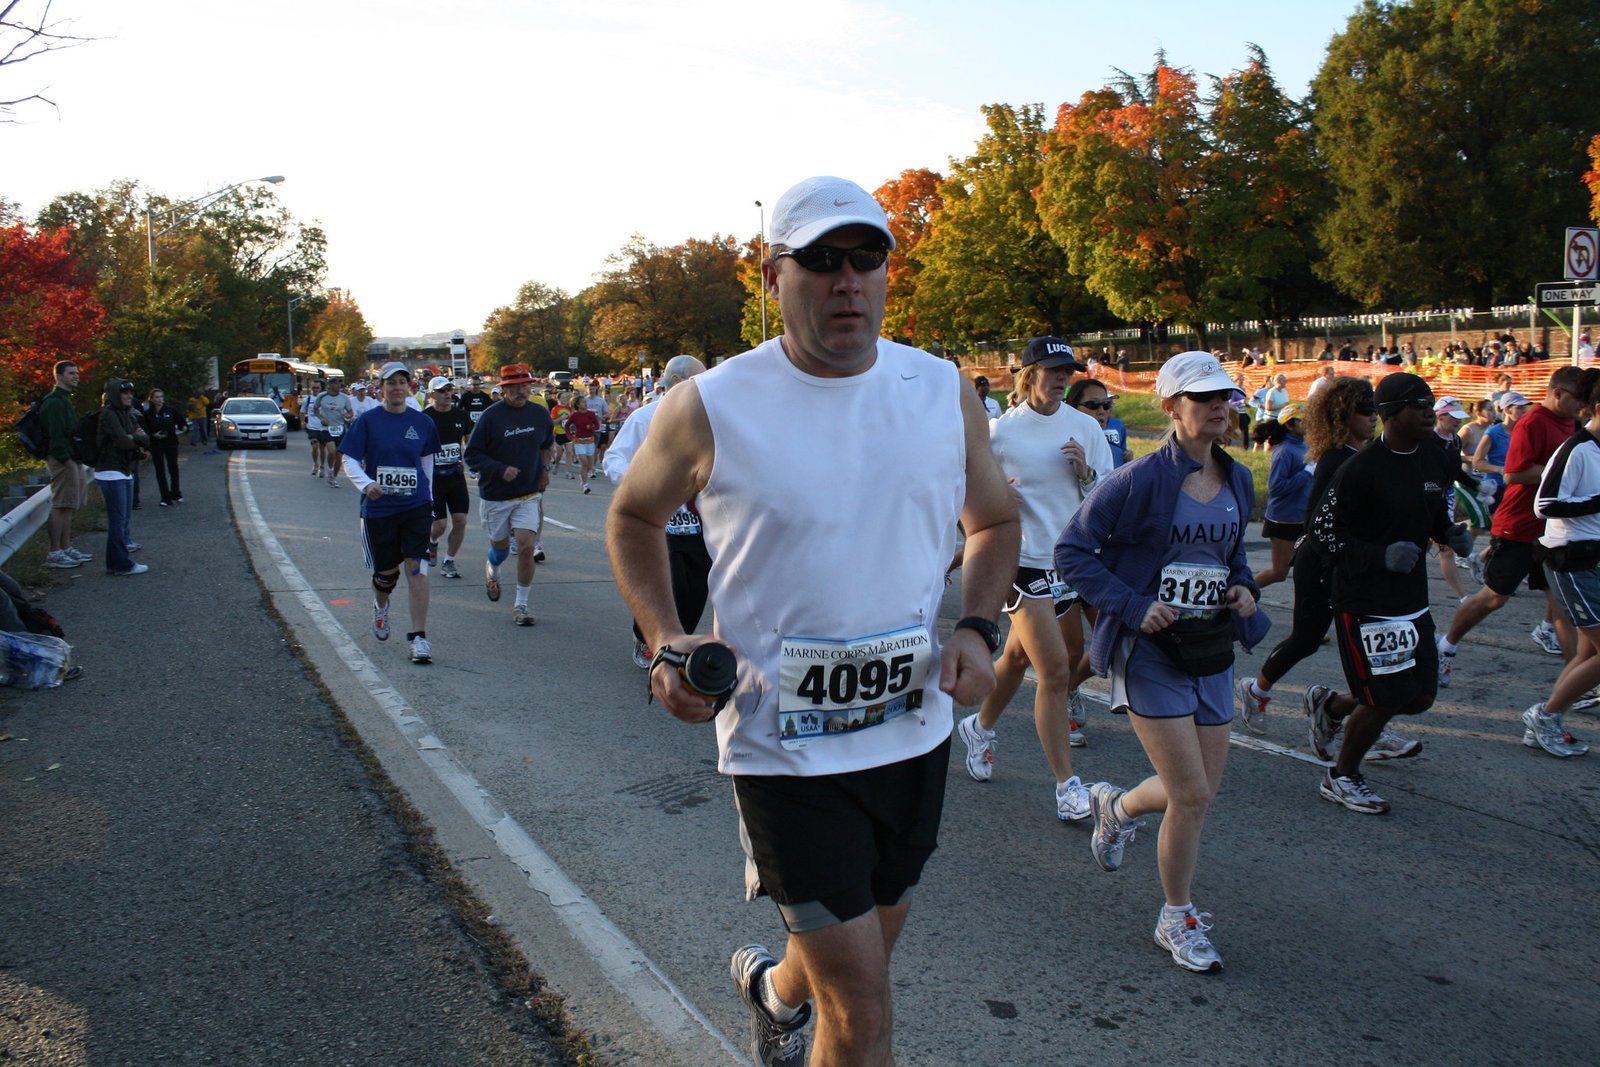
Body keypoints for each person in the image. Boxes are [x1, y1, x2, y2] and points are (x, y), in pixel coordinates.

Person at [606, 175, 1017, 1066]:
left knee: (845, 968)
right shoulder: (711, 403)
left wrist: (978, 628)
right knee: (864, 1010)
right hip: (782, 748)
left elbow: (994, 522)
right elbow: (633, 517)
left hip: (912, 734)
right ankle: (800, 1000)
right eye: (821, 260)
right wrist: (668, 637)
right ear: (773, 274)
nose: (847, 280)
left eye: (865, 258)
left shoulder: (941, 391)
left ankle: (771, 990)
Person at [1055, 351, 1269, 974]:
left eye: (1225, 397)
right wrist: (1132, 604)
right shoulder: (1136, 480)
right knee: (1192, 793)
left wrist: (1245, 587)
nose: (1219, 409)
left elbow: (1233, 558)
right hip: (1149, 652)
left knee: (1196, 796)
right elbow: (1073, 552)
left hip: (1210, 648)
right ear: (1172, 407)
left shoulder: (1237, 477)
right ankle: (1177, 917)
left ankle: (1116, 809)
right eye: (1204, 399)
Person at [956, 337, 1112, 819]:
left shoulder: (1085, 426)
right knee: (1057, 670)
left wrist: (1085, 473)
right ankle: (1068, 787)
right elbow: (964, 493)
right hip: (1020, 561)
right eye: (1053, 370)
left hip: (1068, 560)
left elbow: (1107, 491)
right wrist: (995, 495)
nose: (1063, 379)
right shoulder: (1000, 433)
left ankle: (978, 728)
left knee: (1018, 657)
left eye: (1069, 371)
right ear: (1028, 375)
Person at [1306, 373, 1472, 814]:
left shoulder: (1437, 457)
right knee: (1386, 697)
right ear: (1388, 414)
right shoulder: (1359, 469)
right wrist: (1379, 556)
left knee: (1419, 696)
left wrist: (1449, 534)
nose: (1428, 412)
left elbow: (1434, 509)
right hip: (1364, 602)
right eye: (1418, 404)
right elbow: (1320, 534)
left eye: (1430, 403)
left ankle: (1334, 706)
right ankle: (1342, 776)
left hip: (1411, 598)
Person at [1237, 378, 1406, 744]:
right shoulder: (1335, 460)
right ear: (1341, 415)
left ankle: (1359, 716)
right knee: (1309, 639)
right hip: (1325, 564)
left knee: (1358, 640)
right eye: (1365, 410)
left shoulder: (1365, 453)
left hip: (1353, 565)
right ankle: (1258, 690)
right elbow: (1318, 522)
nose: (1373, 417)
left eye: (1375, 409)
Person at [1438, 368, 1584, 686]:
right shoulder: (1533, 423)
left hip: (1553, 529)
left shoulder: (1572, 423)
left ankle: (1577, 676)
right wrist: (1562, 471)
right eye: (1578, 398)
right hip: (1518, 526)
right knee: (1495, 598)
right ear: (1558, 393)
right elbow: (1514, 474)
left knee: (1561, 600)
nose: (1582, 405)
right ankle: (1446, 645)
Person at [602, 355, 709, 668]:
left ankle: (678, 639)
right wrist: (647, 490)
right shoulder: (644, 418)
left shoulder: (709, 419)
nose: (703, 388)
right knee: (666, 585)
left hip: (700, 524)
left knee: (694, 591)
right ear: (674, 384)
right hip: (660, 524)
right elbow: (614, 459)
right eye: (696, 381)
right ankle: (648, 636)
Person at [337, 362, 441, 664]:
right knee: (386, 574)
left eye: (402, 382)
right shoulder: (368, 421)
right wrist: (366, 484)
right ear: (380, 387)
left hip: (415, 506)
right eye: (390, 383)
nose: (397, 388)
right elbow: (350, 460)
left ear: (410, 387)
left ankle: (419, 637)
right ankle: (381, 607)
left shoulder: (422, 423)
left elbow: (426, 465)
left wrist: (430, 500)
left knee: (416, 569)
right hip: (380, 509)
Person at [1526, 366, 1600, 758]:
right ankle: (1545, 715)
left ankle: (1545, 720)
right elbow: (1545, 505)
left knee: (1590, 654)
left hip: (1593, 560)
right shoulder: (1576, 449)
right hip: (1569, 559)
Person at [464, 363, 555, 625]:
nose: (521, 391)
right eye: (514, 387)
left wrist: (545, 469)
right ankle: (493, 567)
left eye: (525, 385)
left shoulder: (539, 414)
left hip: (528, 494)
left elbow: (546, 445)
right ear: (504, 389)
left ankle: (521, 606)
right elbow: (472, 455)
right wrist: (498, 469)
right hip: (497, 496)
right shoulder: (491, 417)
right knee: (500, 547)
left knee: (526, 547)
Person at [95, 379, 151, 576]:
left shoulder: (127, 413)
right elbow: (123, 442)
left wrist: (132, 437)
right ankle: (121, 564)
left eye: (130, 393)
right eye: (124, 393)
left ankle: (114, 563)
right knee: (118, 521)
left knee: (123, 519)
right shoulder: (108, 414)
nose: (129, 396)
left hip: (125, 471)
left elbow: (146, 438)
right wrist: (133, 438)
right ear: (113, 394)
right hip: (110, 472)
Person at [421, 376, 475, 580]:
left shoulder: (461, 415)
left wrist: (476, 462)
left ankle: (449, 561)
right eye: (442, 391)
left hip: (455, 476)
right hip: (433, 479)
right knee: (440, 526)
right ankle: (432, 542)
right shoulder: (425, 418)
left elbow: (469, 442)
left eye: (449, 390)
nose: (446, 394)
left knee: (460, 520)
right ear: (432, 394)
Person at [40, 360, 91, 570]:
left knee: (68, 505)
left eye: (77, 373)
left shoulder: (65, 400)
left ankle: (66, 547)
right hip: (62, 459)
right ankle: (54, 552)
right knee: (60, 504)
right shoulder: (54, 402)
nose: (76, 376)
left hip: (72, 458)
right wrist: (66, 459)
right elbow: (56, 435)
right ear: (59, 376)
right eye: (71, 373)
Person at [1255, 406, 1312, 589]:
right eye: (1301, 420)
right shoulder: (1284, 451)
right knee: (1279, 573)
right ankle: (1237, 594)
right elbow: (1276, 487)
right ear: (1290, 425)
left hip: (1302, 518)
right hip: (1283, 520)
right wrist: (1307, 473)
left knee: (1307, 571)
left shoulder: (1305, 446)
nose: (1307, 423)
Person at [1068, 378, 1132, 467]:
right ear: (1073, 407)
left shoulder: (1114, 444)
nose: (1101, 411)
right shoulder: (1062, 445)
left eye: (1106, 405)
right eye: (1093, 405)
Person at [142, 388, 184, 505]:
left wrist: (182, 427)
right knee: (160, 470)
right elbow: (145, 429)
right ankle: (165, 497)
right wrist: (153, 435)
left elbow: (181, 422)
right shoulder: (148, 414)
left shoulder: (170, 410)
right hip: (156, 444)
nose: (159, 400)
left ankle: (176, 493)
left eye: (161, 397)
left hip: (170, 442)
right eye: (156, 397)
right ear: (151, 399)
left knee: (173, 468)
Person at [312, 377, 355, 488]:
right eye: (335, 384)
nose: (338, 386)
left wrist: (348, 415)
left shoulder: (344, 398)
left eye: (339, 384)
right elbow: (315, 409)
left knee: (339, 456)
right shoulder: (322, 397)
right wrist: (321, 418)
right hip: (327, 428)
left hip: (340, 428)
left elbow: (350, 412)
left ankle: (334, 477)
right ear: (330, 385)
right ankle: (330, 469)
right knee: (332, 451)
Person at [566, 398, 600, 493]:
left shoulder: (591, 414)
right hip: (579, 441)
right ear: (578, 405)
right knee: (584, 462)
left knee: (589, 465)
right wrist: (569, 435)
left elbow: (597, 426)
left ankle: (583, 476)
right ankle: (585, 485)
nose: (585, 404)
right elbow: (567, 426)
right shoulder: (575, 415)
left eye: (586, 402)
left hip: (589, 441)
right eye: (583, 403)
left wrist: (591, 428)